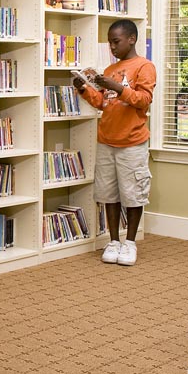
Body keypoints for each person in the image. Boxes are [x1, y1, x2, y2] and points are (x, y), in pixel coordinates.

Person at [72, 19, 156, 266]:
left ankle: (130, 243)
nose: (112, 47)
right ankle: (113, 241)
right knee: (108, 193)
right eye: (109, 42)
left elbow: (143, 100)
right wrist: (84, 89)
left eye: (116, 41)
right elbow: (102, 102)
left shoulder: (145, 66)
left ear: (131, 39)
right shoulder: (108, 71)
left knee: (133, 194)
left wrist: (117, 87)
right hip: (107, 141)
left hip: (132, 142)